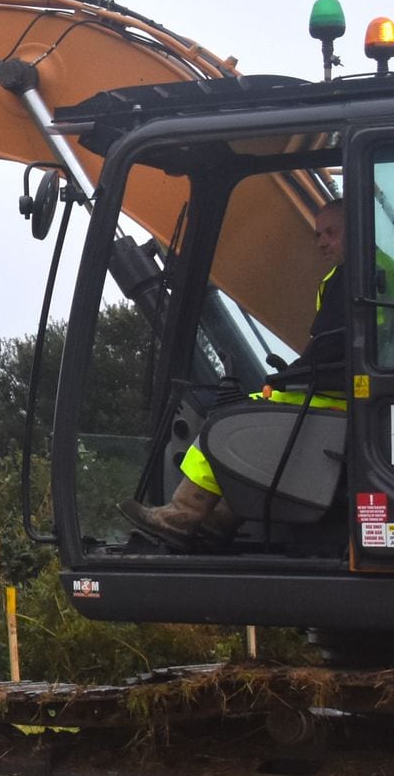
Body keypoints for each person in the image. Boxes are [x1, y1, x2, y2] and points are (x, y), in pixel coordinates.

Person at [122, 198, 347, 548]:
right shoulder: (346, 276)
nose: (321, 242)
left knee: (231, 419)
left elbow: (339, 347)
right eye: (319, 234)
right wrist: (294, 373)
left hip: (342, 398)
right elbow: (335, 346)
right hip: (344, 392)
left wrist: (290, 377)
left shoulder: (363, 275)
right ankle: (217, 519)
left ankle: (183, 514)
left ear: (358, 224)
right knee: (257, 414)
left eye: (331, 233)